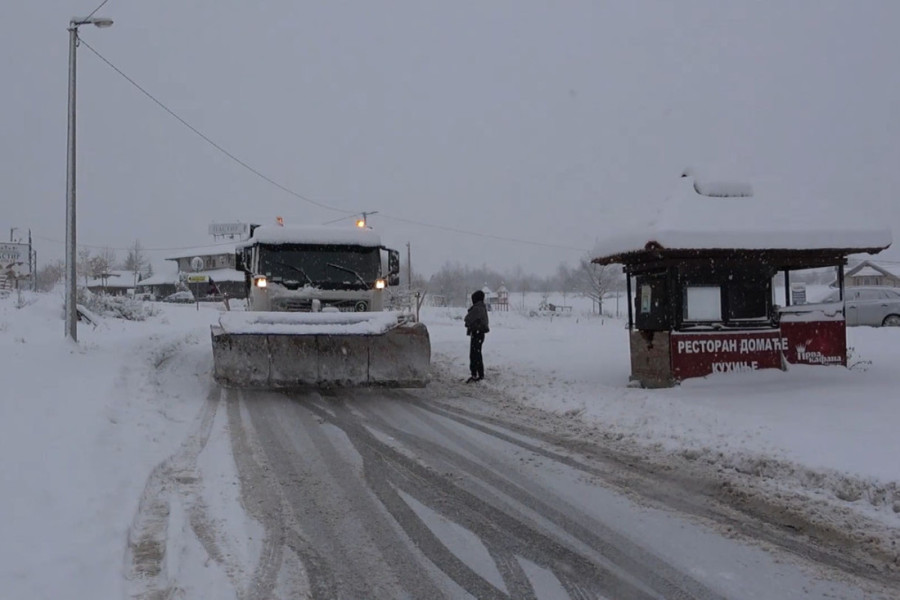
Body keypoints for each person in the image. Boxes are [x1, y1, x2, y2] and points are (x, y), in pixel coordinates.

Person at [464, 290, 490, 382]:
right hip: (480, 333)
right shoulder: (482, 307)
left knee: (474, 354)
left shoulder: (477, 308)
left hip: (476, 333)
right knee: (477, 353)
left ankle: (475, 374)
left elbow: (467, 318)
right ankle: (479, 373)